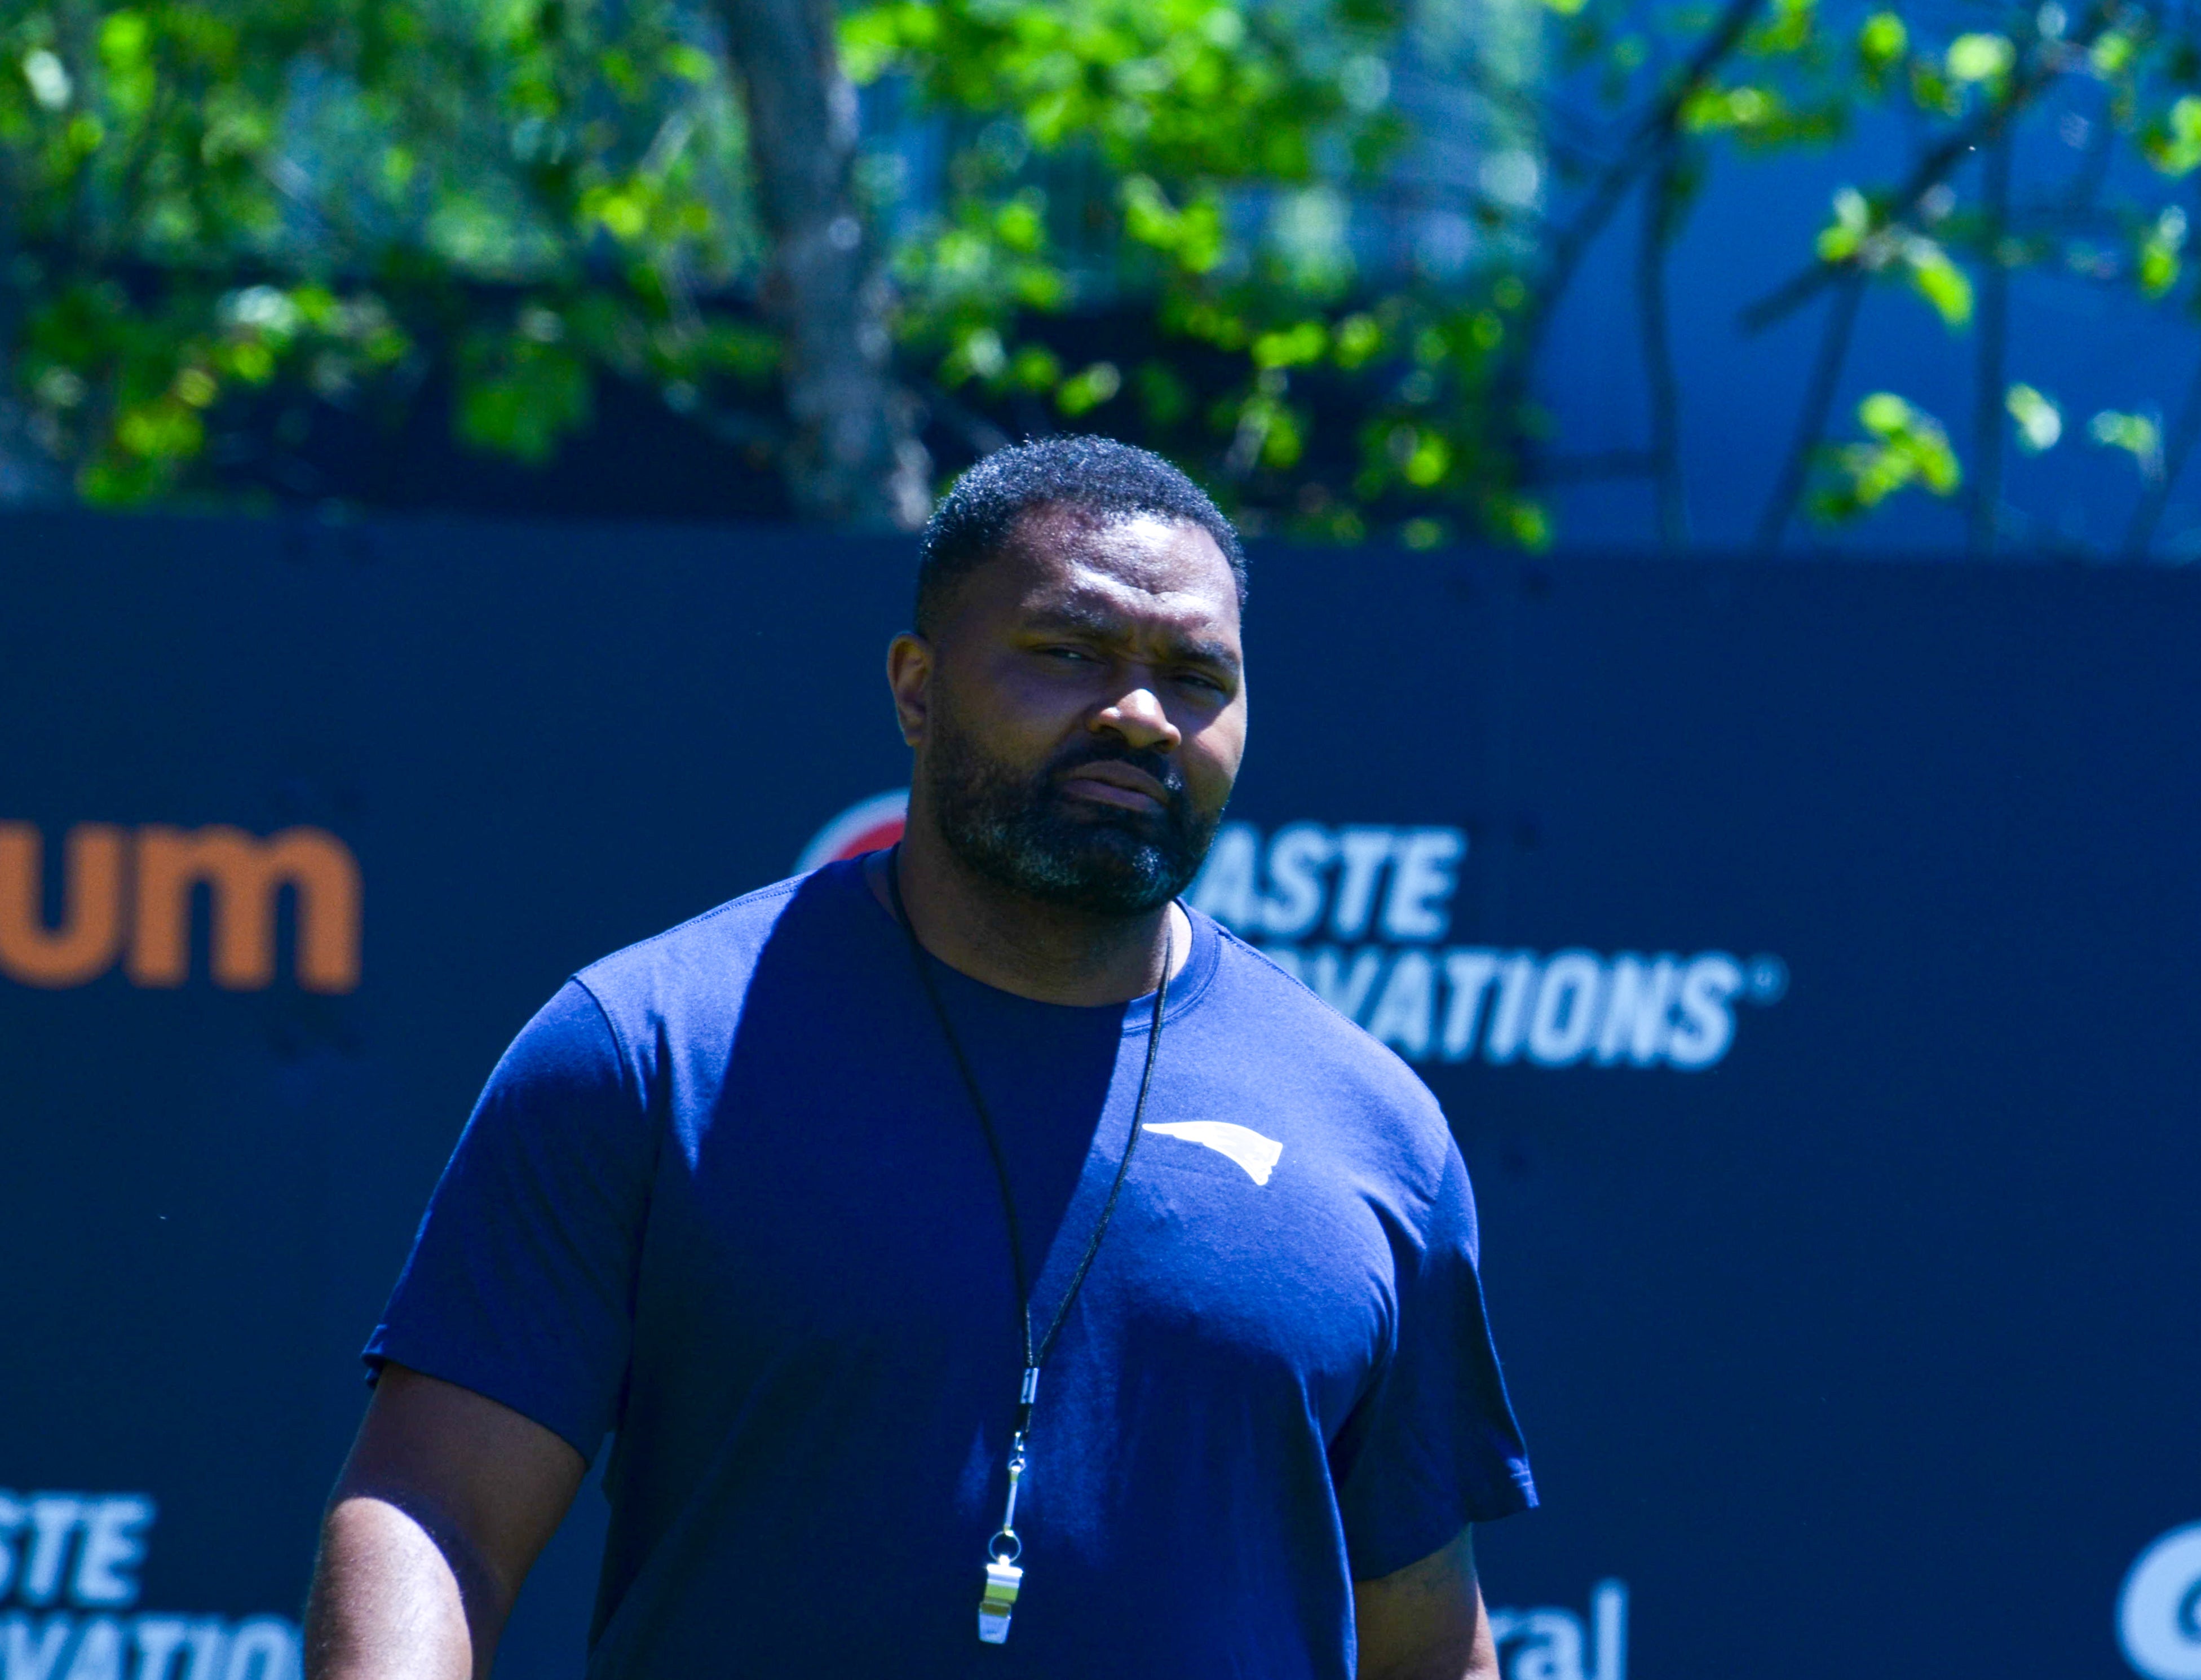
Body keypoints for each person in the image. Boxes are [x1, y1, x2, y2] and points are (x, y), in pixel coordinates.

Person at [303, 435, 1536, 1679]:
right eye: (1070, 652)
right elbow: (438, 1515)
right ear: (916, 688)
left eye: (1198, 676)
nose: (1142, 714)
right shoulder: (652, 1050)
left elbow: (1429, 1643)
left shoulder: (1372, 1128)